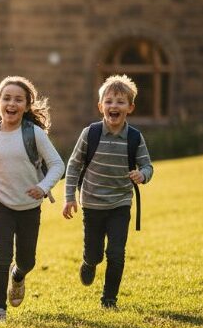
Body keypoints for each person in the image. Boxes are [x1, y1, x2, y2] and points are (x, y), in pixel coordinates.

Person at [0, 76, 64, 324]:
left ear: (27, 105)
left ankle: (18, 276)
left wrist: (43, 187)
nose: (12, 103)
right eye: (6, 98)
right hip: (0, 202)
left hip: (30, 205)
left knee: (27, 259)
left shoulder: (35, 134)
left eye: (18, 99)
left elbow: (57, 164)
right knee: (1, 254)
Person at [62, 74, 154, 308]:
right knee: (95, 253)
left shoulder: (134, 137)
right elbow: (74, 164)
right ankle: (88, 262)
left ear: (130, 108)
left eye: (121, 102)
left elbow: (147, 165)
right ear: (101, 106)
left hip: (120, 204)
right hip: (92, 204)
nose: (114, 106)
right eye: (109, 101)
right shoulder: (90, 133)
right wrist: (69, 196)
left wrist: (142, 175)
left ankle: (109, 299)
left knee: (116, 253)